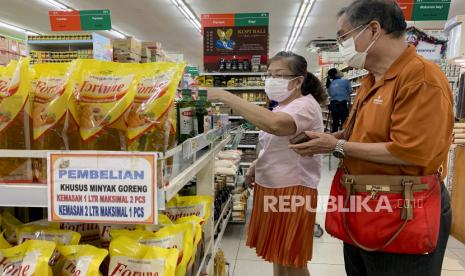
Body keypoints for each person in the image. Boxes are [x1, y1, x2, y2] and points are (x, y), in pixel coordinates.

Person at [289, 1, 454, 276]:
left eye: (343, 36)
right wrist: (329, 137)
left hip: (403, 209)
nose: (340, 43)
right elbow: (363, 133)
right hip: (366, 204)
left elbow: (410, 151)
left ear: (373, 29)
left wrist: (337, 146)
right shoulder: (372, 78)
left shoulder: (421, 78)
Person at [207, 51, 327, 276]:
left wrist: (225, 95)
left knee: (292, 260)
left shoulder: (304, 106)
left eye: (280, 75)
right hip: (273, 186)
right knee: (278, 255)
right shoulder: (283, 105)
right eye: (269, 74)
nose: (272, 80)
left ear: (298, 80)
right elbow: (275, 143)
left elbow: (275, 126)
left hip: (292, 189)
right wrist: (256, 166)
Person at [326, 68, 352, 132]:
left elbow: (330, 94)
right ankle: (344, 138)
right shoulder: (345, 81)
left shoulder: (329, 84)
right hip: (342, 104)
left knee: (335, 123)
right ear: (336, 74)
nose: (341, 71)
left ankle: (333, 138)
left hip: (333, 104)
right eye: (339, 70)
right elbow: (350, 91)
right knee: (344, 123)